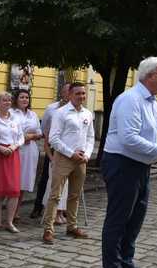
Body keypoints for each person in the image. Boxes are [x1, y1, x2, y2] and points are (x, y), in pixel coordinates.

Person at [101, 57, 157, 268]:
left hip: (141, 165)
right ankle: (112, 267)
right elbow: (129, 139)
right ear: (149, 75)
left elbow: (153, 132)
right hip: (122, 163)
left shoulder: (151, 101)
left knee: (135, 218)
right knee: (119, 217)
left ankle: (126, 261)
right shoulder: (130, 100)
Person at [41, 82, 94, 245]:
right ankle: (48, 230)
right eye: (78, 93)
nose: (81, 96)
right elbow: (53, 139)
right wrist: (71, 154)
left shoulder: (87, 113)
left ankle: (72, 226)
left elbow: (90, 137)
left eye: (83, 93)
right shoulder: (61, 113)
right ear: (70, 95)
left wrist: (87, 154)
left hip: (81, 159)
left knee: (75, 195)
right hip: (64, 157)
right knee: (55, 195)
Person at [30, 82, 71, 218]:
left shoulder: (76, 109)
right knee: (46, 179)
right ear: (62, 92)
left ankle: (61, 209)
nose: (69, 94)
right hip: (53, 148)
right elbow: (45, 128)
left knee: (66, 181)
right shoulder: (51, 108)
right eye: (66, 91)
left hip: (69, 150)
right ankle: (38, 206)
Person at [0, 92, 24, 233]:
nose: (8, 102)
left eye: (9, 100)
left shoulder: (15, 119)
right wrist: (0, 147)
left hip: (13, 155)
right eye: (4, 100)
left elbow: (20, 137)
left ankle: (9, 222)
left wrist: (14, 146)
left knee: (14, 190)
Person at [10, 89, 42, 220]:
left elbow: (40, 132)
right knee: (12, 181)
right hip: (16, 150)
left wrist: (31, 136)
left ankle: (15, 211)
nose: (25, 100)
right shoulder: (11, 113)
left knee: (23, 181)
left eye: (27, 97)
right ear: (16, 99)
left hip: (30, 151)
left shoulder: (33, 114)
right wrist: (25, 137)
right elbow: (10, 132)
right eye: (22, 97)